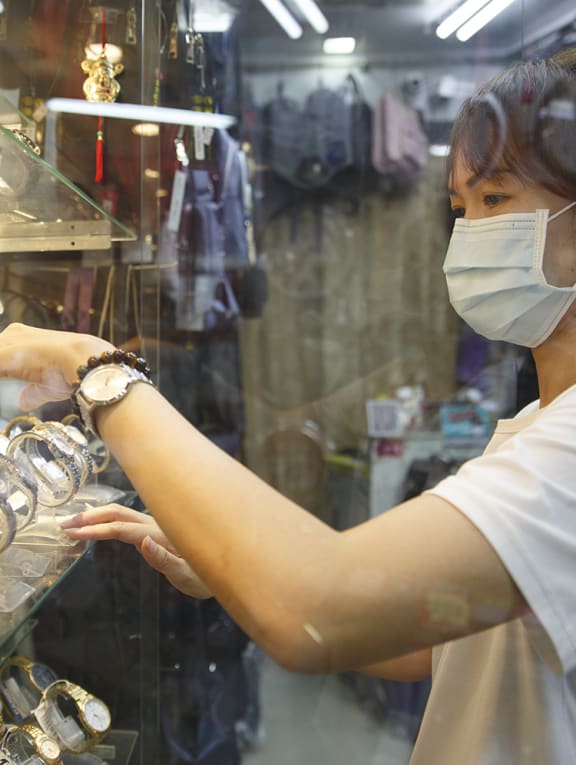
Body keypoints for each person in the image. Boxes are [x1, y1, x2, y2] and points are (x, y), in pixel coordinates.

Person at [0, 48, 576, 763]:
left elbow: (322, 608)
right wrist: (233, 567)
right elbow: (431, 641)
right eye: (460, 209)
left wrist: (90, 364)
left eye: (495, 201)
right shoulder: (535, 430)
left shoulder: (568, 454)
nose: (469, 236)